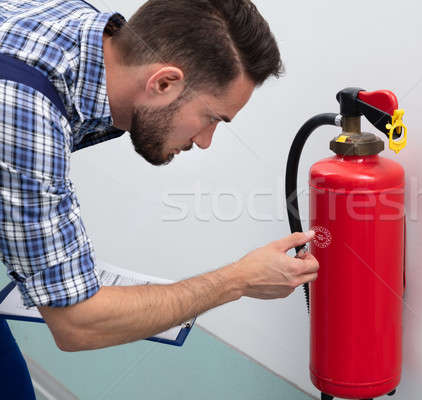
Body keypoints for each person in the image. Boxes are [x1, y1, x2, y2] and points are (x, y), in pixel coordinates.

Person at [0, 0, 318, 397]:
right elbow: (76, 323)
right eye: (213, 119)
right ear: (163, 83)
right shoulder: (23, 111)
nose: (204, 142)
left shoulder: (82, 34)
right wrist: (237, 280)